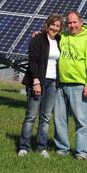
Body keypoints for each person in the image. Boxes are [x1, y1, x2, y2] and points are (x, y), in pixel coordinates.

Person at [54, 10, 87, 161]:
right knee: (59, 119)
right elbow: (49, 36)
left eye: (74, 22)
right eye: (69, 23)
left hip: (79, 85)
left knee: (81, 121)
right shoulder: (63, 37)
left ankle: (81, 152)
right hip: (61, 84)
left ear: (81, 23)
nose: (72, 25)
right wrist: (37, 34)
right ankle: (62, 148)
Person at [18, 13, 63, 158]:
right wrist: (36, 82)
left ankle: (41, 147)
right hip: (38, 82)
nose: (54, 28)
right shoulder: (38, 39)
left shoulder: (60, 40)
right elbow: (33, 61)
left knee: (45, 117)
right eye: (52, 24)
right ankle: (23, 147)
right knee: (31, 116)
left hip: (52, 83)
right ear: (47, 24)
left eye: (57, 26)